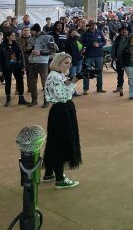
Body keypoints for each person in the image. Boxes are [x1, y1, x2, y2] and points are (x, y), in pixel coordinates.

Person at [42, 53, 82, 189]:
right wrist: (74, 83)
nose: (69, 65)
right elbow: (64, 96)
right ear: (58, 63)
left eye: (69, 63)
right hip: (61, 111)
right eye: (66, 63)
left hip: (62, 111)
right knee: (62, 143)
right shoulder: (54, 76)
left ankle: (49, 173)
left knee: (54, 142)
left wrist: (70, 81)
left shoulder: (57, 75)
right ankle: (60, 179)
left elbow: (63, 86)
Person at [0, 31, 28, 106]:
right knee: (8, 83)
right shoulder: (2, 46)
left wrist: (23, 66)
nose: (14, 36)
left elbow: (22, 56)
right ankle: (8, 100)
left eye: (14, 35)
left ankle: (21, 99)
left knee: (20, 81)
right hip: (6, 67)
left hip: (17, 66)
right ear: (7, 37)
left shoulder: (17, 44)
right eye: (12, 35)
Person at [28, 24, 56, 107]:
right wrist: (28, 49)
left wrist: (40, 53)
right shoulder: (31, 38)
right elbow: (28, 49)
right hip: (32, 62)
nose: (30, 32)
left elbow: (53, 50)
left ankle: (46, 100)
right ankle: (34, 100)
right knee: (32, 82)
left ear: (36, 30)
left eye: (32, 30)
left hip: (43, 62)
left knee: (45, 82)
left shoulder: (48, 37)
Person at [80, 20, 106, 94]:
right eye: (91, 25)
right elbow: (82, 43)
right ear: (89, 26)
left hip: (99, 55)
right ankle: (85, 89)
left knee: (99, 71)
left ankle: (99, 88)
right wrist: (90, 44)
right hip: (89, 55)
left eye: (94, 25)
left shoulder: (100, 32)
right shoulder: (85, 34)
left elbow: (104, 42)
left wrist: (99, 44)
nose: (93, 26)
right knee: (86, 72)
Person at [111, 26, 129, 95]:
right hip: (119, 60)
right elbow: (113, 48)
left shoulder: (130, 39)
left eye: (125, 30)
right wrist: (114, 57)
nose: (124, 31)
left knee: (130, 75)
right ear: (120, 32)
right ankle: (119, 87)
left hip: (128, 60)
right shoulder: (117, 39)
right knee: (120, 74)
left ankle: (132, 88)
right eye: (123, 30)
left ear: (127, 32)